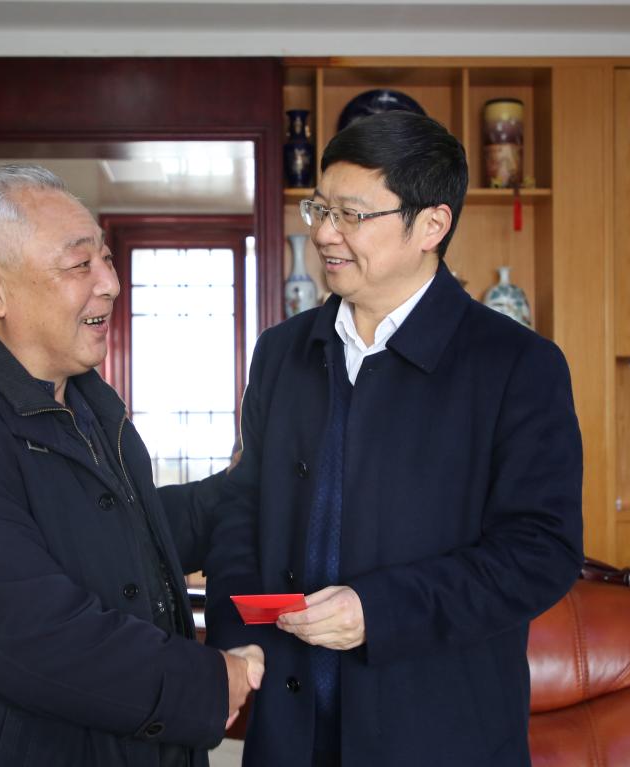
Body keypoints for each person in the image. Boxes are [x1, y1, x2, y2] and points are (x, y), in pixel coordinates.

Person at [203, 111, 584, 766]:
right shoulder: (281, 353)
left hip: (441, 735)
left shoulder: (517, 365)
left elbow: (541, 551)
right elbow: (243, 506)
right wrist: (239, 636)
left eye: (351, 215)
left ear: (431, 225)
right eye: (321, 209)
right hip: (290, 731)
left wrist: (380, 610)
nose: (325, 233)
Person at [0, 164, 263, 767]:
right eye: (79, 264)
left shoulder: (85, 403)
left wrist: (246, 488)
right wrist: (205, 682)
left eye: (107, 259)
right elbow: (34, 638)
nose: (110, 284)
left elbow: (114, 537)